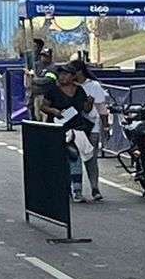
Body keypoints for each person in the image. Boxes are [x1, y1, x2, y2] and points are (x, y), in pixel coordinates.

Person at [39, 67, 101, 202]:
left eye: (65, 74)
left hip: (77, 129)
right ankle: (62, 187)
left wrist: (89, 102)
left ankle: (77, 190)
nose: (62, 77)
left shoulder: (79, 90)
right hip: (58, 128)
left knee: (75, 157)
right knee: (60, 161)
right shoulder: (53, 91)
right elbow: (43, 107)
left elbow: (85, 109)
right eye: (60, 74)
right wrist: (53, 111)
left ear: (73, 76)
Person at [69, 58, 112, 162]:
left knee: (91, 161)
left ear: (79, 72)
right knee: (74, 161)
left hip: (91, 128)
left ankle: (93, 179)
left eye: (72, 72)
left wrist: (106, 127)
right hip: (73, 129)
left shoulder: (94, 86)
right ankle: (76, 178)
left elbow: (102, 109)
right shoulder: (69, 86)